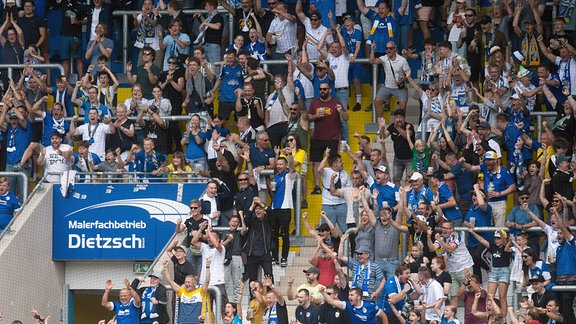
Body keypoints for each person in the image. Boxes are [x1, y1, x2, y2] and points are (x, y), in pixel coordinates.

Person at [427, 220, 474, 306]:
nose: (444, 230)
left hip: (464, 268)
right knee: (453, 296)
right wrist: (429, 237)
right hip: (452, 270)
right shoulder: (442, 237)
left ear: (452, 229)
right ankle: (452, 318)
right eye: (443, 228)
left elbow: (450, 249)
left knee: (469, 293)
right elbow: (432, 248)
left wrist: (440, 241)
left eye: (446, 228)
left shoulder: (456, 236)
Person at [163, 257, 211, 323]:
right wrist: (166, 268)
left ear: (194, 284)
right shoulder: (182, 291)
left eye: (189, 282)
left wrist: (207, 266)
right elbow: (170, 281)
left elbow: (207, 281)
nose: (186, 284)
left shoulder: (200, 291)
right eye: (185, 282)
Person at [270, 149, 297, 266]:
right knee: (273, 235)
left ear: (285, 165)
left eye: (281, 164)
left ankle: (284, 258)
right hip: (274, 208)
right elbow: (273, 193)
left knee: (285, 234)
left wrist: (290, 155)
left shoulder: (289, 176)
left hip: (285, 208)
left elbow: (292, 165)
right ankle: (275, 258)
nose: (279, 166)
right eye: (277, 164)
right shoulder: (275, 177)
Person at [319, 285, 387, 324]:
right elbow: (332, 301)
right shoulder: (348, 305)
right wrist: (322, 292)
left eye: (352, 295)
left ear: (358, 297)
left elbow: (383, 316)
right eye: (349, 295)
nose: (349, 297)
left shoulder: (370, 306)